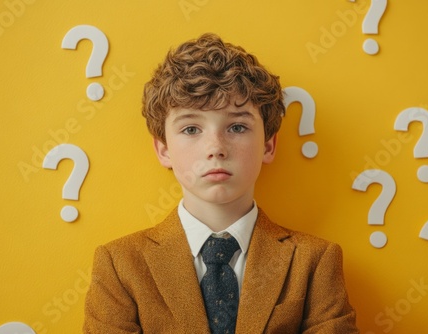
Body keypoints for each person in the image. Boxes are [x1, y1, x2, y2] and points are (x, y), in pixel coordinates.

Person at [83, 33, 358, 333]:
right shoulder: (120, 264)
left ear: (267, 145)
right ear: (163, 149)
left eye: (237, 126)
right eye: (191, 129)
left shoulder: (315, 261)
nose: (215, 147)